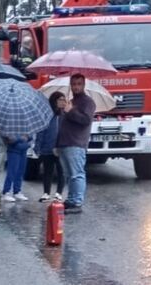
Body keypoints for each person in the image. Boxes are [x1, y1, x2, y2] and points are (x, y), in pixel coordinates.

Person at [57, 73, 97, 213]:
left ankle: (77, 202)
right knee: (68, 174)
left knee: (76, 173)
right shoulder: (71, 101)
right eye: (73, 84)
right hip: (65, 143)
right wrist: (62, 109)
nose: (76, 87)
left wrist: (70, 111)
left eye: (79, 84)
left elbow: (85, 120)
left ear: (84, 85)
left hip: (76, 143)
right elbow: (63, 123)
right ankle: (71, 199)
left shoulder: (88, 102)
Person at [36, 92, 66, 202]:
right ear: (54, 101)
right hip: (47, 148)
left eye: (64, 100)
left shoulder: (65, 116)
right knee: (47, 171)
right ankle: (46, 192)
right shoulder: (47, 115)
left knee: (61, 171)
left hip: (61, 148)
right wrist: (38, 147)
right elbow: (41, 131)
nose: (63, 102)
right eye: (60, 99)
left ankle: (59, 193)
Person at [1, 133, 31, 201]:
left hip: (23, 151)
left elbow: (30, 137)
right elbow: (9, 139)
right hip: (13, 151)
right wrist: (21, 138)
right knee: (12, 172)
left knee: (20, 172)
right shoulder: (11, 126)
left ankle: (17, 191)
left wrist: (28, 138)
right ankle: (6, 192)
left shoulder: (25, 126)